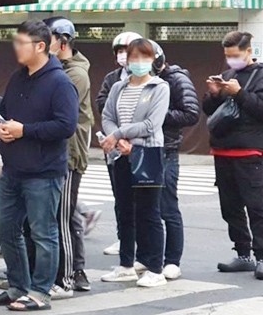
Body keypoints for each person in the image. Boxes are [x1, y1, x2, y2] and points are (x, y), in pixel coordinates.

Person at [0, 20, 77, 312]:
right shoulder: (18, 77)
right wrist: (1, 126)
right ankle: (17, 286)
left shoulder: (60, 82)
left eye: (22, 43)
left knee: (43, 232)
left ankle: (40, 292)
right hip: (13, 168)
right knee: (5, 227)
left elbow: (66, 125)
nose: (17, 49)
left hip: (43, 172)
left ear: (40, 46)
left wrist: (26, 130)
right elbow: (3, 111)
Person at [100, 38, 170, 288]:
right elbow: (107, 116)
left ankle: (155, 268)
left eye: (145, 57)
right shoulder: (119, 87)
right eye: (134, 57)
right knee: (124, 210)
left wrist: (120, 135)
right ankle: (126, 265)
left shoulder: (159, 87)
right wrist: (117, 140)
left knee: (149, 212)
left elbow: (152, 125)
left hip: (147, 153)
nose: (139, 63)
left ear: (153, 60)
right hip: (120, 155)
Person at [203, 31, 263, 279]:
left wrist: (239, 93)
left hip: (250, 152)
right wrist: (215, 93)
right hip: (222, 151)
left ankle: (261, 256)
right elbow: (209, 111)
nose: (231, 60)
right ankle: (242, 254)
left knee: (257, 207)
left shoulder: (260, 76)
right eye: (228, 56)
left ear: (249, 51)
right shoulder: (227, 75)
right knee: (230, 207)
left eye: (235, 55)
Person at [43, 17, 93, 298]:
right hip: (56, 153)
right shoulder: (56, 69)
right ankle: (70, 272)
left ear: (62, 41)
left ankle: (67, 278)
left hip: (69, 153)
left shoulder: (74, 74)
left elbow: (57, 110)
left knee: (61, 218)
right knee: (66, 215)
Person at [96, 31, 144, 257]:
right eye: (120, 51)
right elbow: (104, 106)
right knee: (121, 197)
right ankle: (123, 239)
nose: (124, 56)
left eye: (128, 51)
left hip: (141, 146)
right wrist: (115, 135)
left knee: (145, 200)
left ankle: (145, 244)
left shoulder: (152, 79)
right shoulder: (111, 79)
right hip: (116, 147)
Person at [156, 44, 200, 280]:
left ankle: (172, 260)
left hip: (167, 148)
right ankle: (148, 257)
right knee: (145, 208)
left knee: (168, 207)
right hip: (143, 149)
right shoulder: (134, 80)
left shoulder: (176, 79)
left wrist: (157, 113)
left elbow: (191, 113)